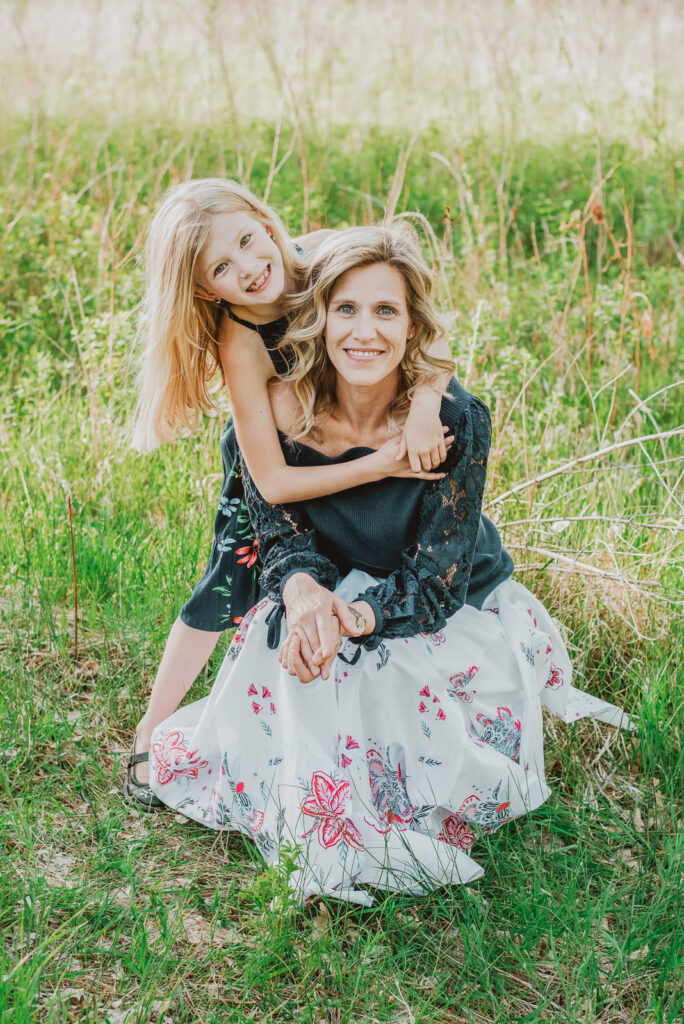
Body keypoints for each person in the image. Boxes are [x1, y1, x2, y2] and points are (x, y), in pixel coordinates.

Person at [146, 224, 631, 904]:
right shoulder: (272, 417)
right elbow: (281, 532)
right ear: (317, 319)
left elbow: (436, 583)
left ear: (411, 328)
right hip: (333, 581)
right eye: (345, 310)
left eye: (385, 312)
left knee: (389, 683)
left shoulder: (453, 419)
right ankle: (315, 808)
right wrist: (309, 594)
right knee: (290, 645)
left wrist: (359, 615)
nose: (364, 332)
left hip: (440, 608)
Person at [125, 180, 454, 810]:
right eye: (223, 267)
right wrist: (382, 465)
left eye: (247, 240)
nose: (250, 267)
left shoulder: (327, 255)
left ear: (261, 218)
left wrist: (428, 402)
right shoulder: (241, 340)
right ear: (203, 289)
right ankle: (150, 728)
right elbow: (271, 481)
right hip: (273, 460)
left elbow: (424, 323)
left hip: (345, 434)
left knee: (355, 553)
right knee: (227, 582)